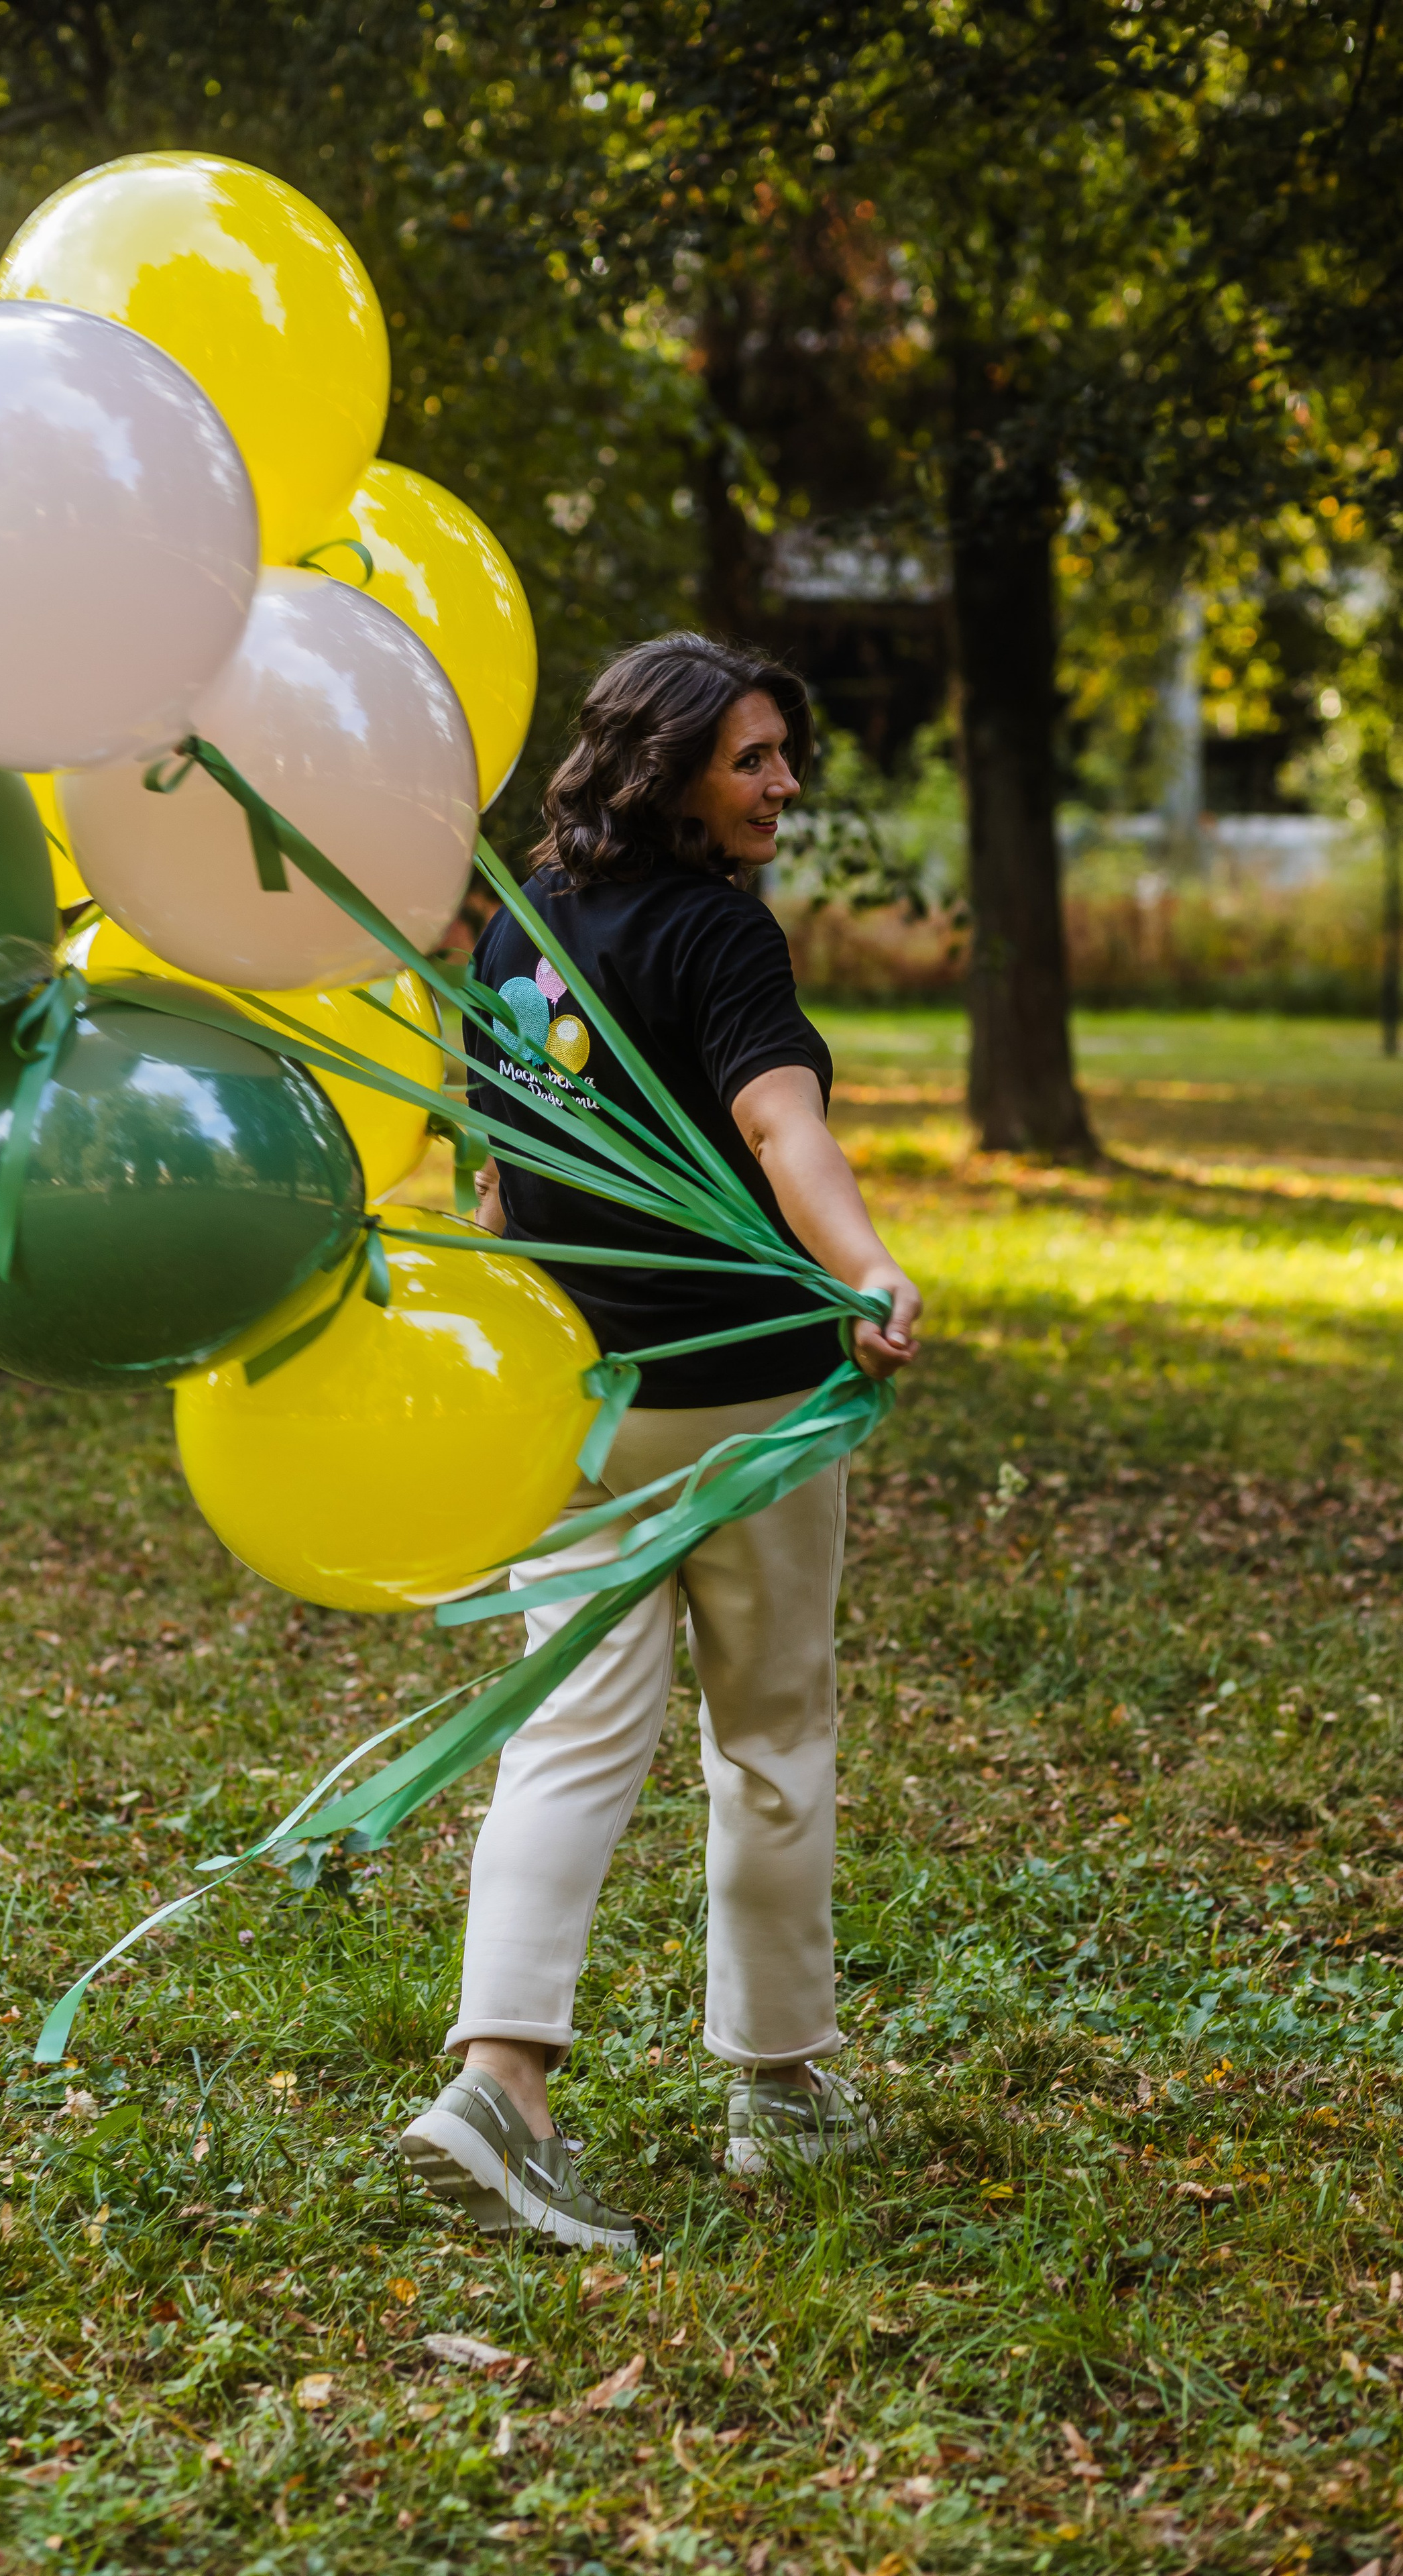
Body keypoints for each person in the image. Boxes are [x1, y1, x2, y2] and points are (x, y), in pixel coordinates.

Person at [400, 635, 921, 2250]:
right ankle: (776, 2087)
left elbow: (494, 1166)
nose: (782, 784)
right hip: (745, 1406)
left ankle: (501, 2090)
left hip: (578, 1401)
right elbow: (782, 1125)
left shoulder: (519, 930)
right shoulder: (718, 934)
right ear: (665, 765)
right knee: (768, 1738)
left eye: (783, 755)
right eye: (750, 758)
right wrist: (866, 1269)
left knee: (564, 1741)